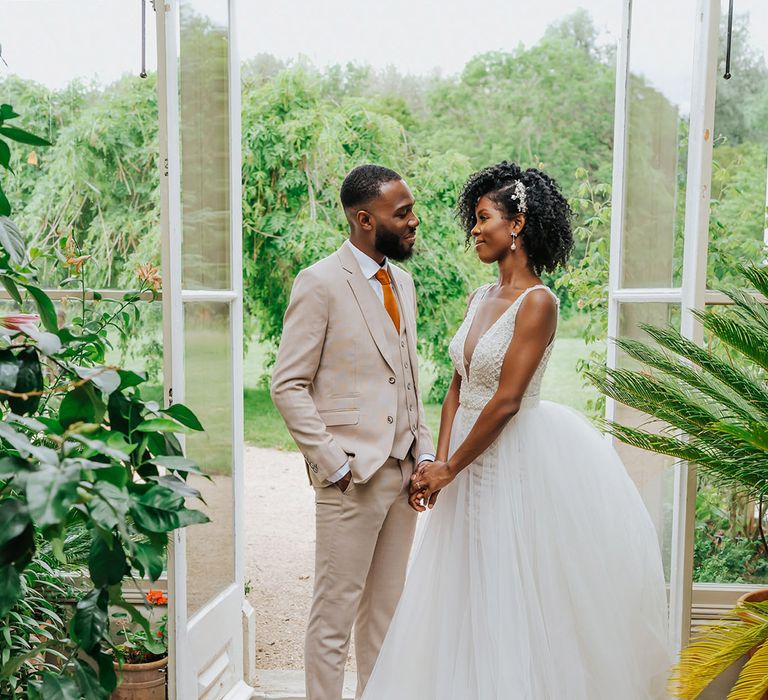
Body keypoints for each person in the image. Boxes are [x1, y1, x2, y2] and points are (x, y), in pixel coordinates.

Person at [361, 161, 671, 699]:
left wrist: (449, 469)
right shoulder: (480, 298)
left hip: (513, 461)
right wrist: (438, 459)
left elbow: (505, 401)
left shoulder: (540, 304)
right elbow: (458, 387)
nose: (474, 231)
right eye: (473, 220)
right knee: (461, 589)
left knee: (512, 587)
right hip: (460, 462)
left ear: (518, 224)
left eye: (483, 218)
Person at [270, 164, 435, 700]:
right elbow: (287, 384)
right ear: (365, 219)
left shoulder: (402, 282)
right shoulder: (319, 282)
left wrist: (423, 455)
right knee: (334, 614)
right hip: (352, 477)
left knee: (385, 613)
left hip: (403, 473)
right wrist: (335, 465)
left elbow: (407, 377)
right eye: (402, 213)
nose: (413, 221)